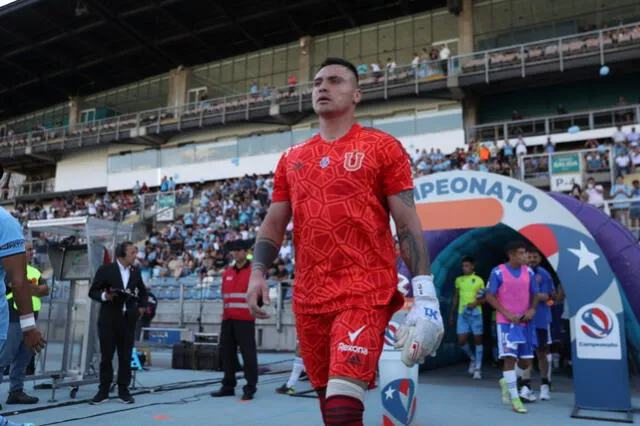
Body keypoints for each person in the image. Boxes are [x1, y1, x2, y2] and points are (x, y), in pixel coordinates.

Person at [246, 57, 444, 425]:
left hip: (364, 291)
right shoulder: (291, 158)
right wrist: (258, 273)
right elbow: (274, 222)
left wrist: (427, 295)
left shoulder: (382, 146)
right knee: (330, 407)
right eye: (318, 81)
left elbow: (406, 221)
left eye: (334, 80)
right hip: (309, 298)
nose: (322, 86)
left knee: (341, 410)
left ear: (356, 94)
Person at [0, 164, 46, 426]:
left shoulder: (5, 223)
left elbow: (23, 283)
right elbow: (18, 282)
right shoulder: (5, 222)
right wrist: (30, 327)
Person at [88, 241, 147, 405]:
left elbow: (143, 291)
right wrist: (105, 297)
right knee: (106, 356)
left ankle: (123, 390)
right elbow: (92, 291)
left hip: (128, 320)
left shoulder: (135, 272)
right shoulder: (106, 270)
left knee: (125, 356)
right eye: (132, 253)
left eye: (135, 253)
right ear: (122, 254)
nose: (135, 256)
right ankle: (103, 391)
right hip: (109, 319)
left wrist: (142, 307)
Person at [485, 241, 539, 414]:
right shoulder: (498, 272)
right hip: (506, 323)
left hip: (525, 323)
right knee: (509, 358)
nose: (526, 256)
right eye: (522, 253)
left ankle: (506, 380)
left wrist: (532, 309)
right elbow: (490, 296)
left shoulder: (529, 271)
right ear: (511, 254)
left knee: (525, 362)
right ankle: (515, 399)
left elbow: (535, 294)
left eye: (526, 253)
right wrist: (505, 313)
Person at [0, 241, 49, 405]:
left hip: (31, 319)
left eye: (31, 250)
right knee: (4, 357)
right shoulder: (10, 270)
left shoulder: (34, 271)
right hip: (13, 318)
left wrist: (29, 289)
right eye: (27, 250)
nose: (31, 253)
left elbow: (45, 290)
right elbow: (16, 287)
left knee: (24, 357)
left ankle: (16, 391)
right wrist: (32, 289)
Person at [211, 239, 258, 401]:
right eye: (234, 250)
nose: (236, 253)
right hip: (228, 319)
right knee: (227, 352)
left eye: (239, 250)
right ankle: (228, 386)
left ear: (246, 252)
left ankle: (250, 386)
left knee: (248, 354)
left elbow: (257, 297)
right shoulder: (227, 273)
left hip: (245, 319)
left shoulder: (253, 273)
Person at [526, 247, 555, 401]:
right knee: (525, 354)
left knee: (541, 353)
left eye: (534, 257)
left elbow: (550, 295)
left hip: (541, 319)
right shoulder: (521, 273)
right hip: (524, 320)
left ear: (540, 259)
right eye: (529, 256)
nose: (532, 260)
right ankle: (526, 386)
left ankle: (545, 385)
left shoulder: (544, 274)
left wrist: (536, 296)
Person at [448, 256, 485, 380]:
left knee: (478, 340)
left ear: (473, 266)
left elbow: (484, 298)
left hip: (476, 314)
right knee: (461, 340)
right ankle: (472, 359)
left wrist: (475, 303)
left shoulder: (478, 280)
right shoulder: (459, 280)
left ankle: (478, 368)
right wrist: (452, 314)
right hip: (462, 314)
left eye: (467, 266)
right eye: (463, 266)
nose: (465, 268)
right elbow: (456, 297)